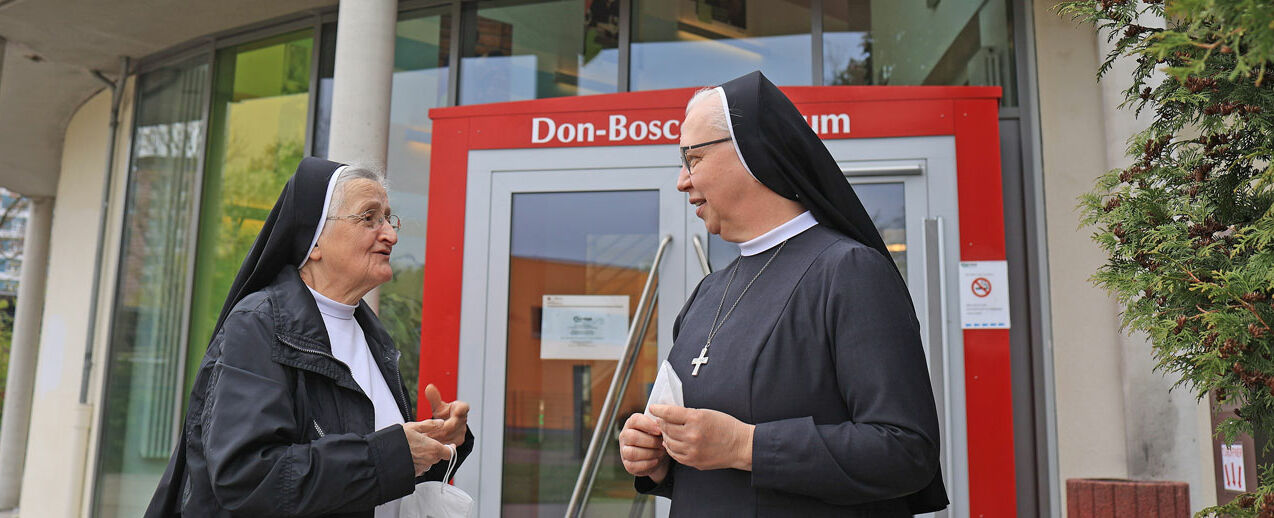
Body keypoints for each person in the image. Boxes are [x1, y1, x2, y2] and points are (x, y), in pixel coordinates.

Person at [617, 71, 948, 516]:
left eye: (692, 159)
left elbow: (906, 451)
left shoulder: (848, 271)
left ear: (753, 152)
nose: (682, 181)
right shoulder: (708, 291)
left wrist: (745, 445)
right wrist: (660, 462)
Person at [145, 158, 474, 517]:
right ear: (314, 242)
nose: (391, 235)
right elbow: (246, 478)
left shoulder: (373, 337)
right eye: (369, 218)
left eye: (388, 219)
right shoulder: (258, 326)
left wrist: (437, 447)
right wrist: (392, 454)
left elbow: (380, 478)